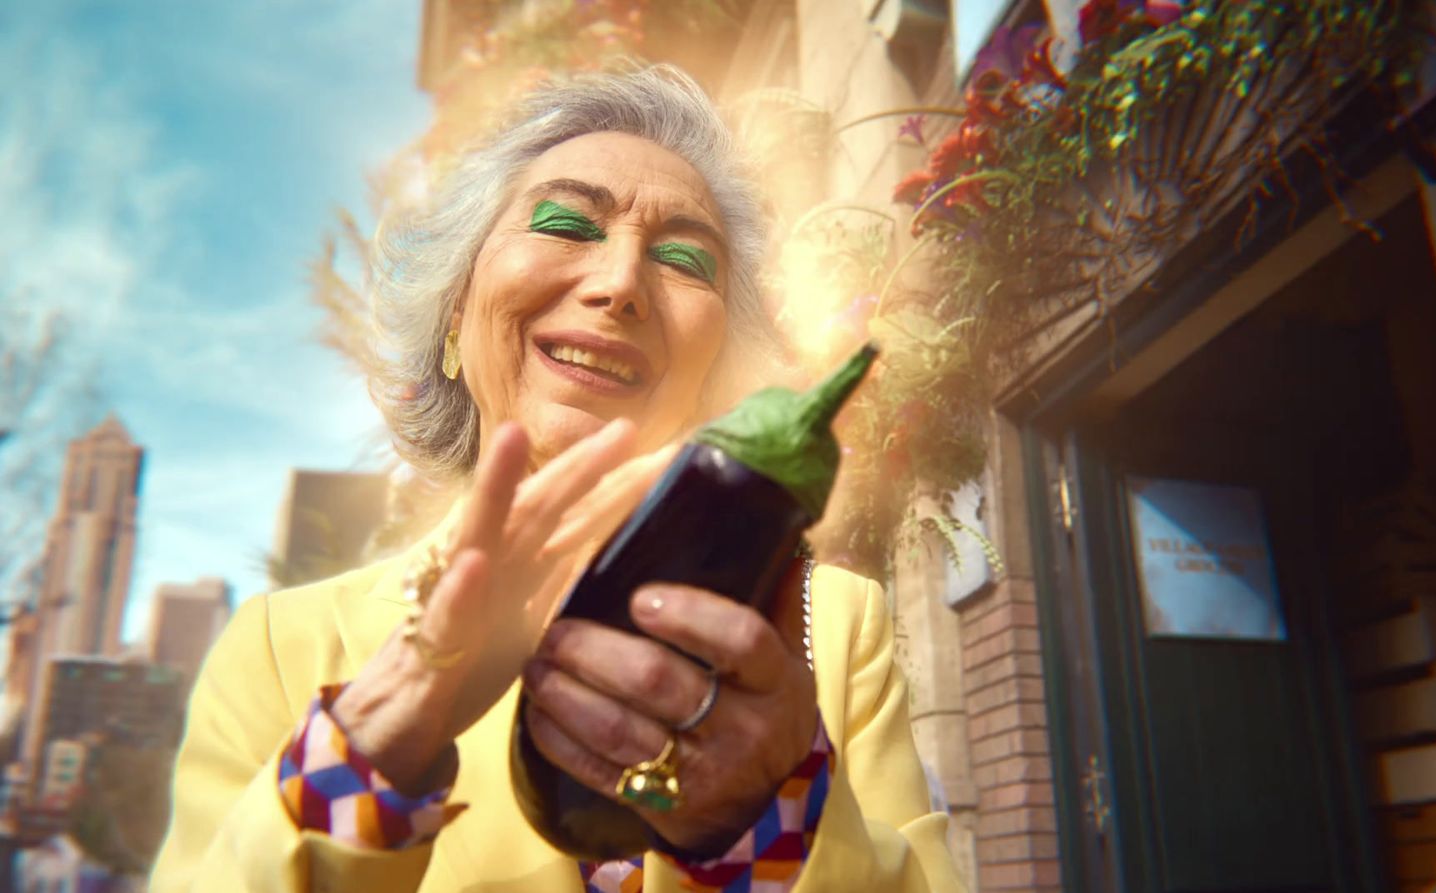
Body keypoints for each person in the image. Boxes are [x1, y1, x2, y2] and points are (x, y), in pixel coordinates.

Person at [149, 66, 964, 893]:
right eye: (565, 222)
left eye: (685, 258)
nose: (620, 285)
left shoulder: (838, 628)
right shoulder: (280, 648)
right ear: (455, 319)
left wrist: (762, 828)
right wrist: (371, 746)